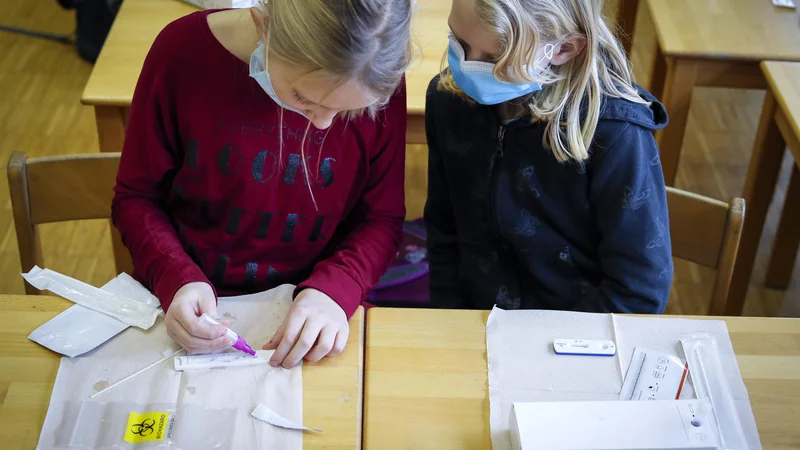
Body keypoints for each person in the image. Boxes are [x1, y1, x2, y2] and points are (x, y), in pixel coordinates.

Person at [112, 0, 412, 368]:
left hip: (313, 312)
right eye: (304, 99)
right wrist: (175, 275)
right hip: (182, 303)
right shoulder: (181, 55)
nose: (322, 125)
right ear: (262, 25)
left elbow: (381, 218)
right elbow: (136, 197)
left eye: (350, 111)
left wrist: (335, 291)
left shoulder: (378, 77)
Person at [424, 0, 672, 313]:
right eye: (459, 43)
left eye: (495, 58)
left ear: (564, 48)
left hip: (575, 338)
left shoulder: (616, 134)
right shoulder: (448, 101)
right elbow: (442, 230)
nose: (468, 67)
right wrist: (449, 319)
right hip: (475, 322)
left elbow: (638, 291)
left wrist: (549, 349)